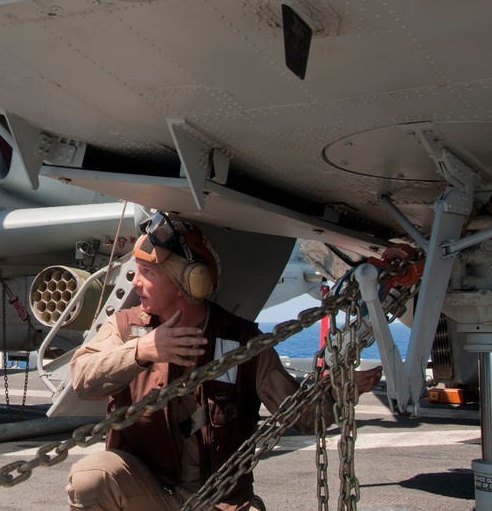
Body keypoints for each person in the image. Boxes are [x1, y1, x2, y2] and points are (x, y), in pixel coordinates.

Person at [66, 212, 382, 511]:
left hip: (221, 502)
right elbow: (82, 378)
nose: (136, 282)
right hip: (153, 495)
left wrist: (338, 391)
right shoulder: (126, 328)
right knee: (91, 477)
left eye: (148, 273)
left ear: (185, 284)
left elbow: (300, 415)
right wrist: (141, 351)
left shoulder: (241, 343)